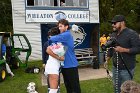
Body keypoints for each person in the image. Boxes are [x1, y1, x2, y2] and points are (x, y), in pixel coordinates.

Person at [104, 15, 140, 93]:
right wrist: (107, 60)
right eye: (112, 23)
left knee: (127, 90)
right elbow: (110, 48)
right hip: (115, 67)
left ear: (122, 23)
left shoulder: (132, 34)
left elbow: (137, 49)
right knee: (116, 88)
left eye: (114, 23)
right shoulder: (113, 34)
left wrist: (123, 49)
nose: (112, 25)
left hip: (127, 68)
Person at [47, 19, 81, 93]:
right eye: (58, 27)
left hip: (71, 66)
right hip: (64, 66)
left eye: (61, 26)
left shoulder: (67, 34)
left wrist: (50, 37)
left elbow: (52, 38)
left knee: (75, 88)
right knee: (68, 87)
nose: (59, 28)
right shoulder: (63, 36)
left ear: (66, 27)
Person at [44, 27, 64, 93]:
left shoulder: (57, 43)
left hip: (53, 67)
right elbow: (48, 50)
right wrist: (59, 58)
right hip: (53, 68)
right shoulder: (56, 44)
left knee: (55, 88)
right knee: (53, 90)